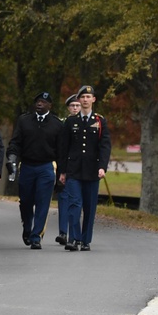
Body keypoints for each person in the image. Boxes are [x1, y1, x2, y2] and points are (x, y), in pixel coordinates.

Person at [6, 92, 64, 250]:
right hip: (27, 166)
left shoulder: (57, 124)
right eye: (38, 101)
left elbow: (60, 151)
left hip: (46, 167)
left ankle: (36, 235)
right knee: (25, 201)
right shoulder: (24, 121)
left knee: (42, 202)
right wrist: (12, 156)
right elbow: (16, 142)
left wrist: (61, 174)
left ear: (49, 106)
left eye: (44, 102)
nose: (40, 104)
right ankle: (27, 227)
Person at [58, 85, 111, 252]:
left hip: (92, 170)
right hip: (74, 170)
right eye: (83, 97)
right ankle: (74, 238)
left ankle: (86, 240)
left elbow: (105, 146)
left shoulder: (100, 121)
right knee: (74, 204)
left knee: (89, 205)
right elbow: (63, 147)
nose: (85, 100)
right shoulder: (71, 121)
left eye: (88, 97)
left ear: (93, 99)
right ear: (79, 100)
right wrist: (62, 170)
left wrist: (102, 167)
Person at [55, 94, 82, 245]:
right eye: (73, 106)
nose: (75, 108)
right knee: (64, 198)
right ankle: (63, 232)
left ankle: (75, 233)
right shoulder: (63, 123)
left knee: (75, 201)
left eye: (77, 106)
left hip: (78, 168)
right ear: (68, 108)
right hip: (64, 165)